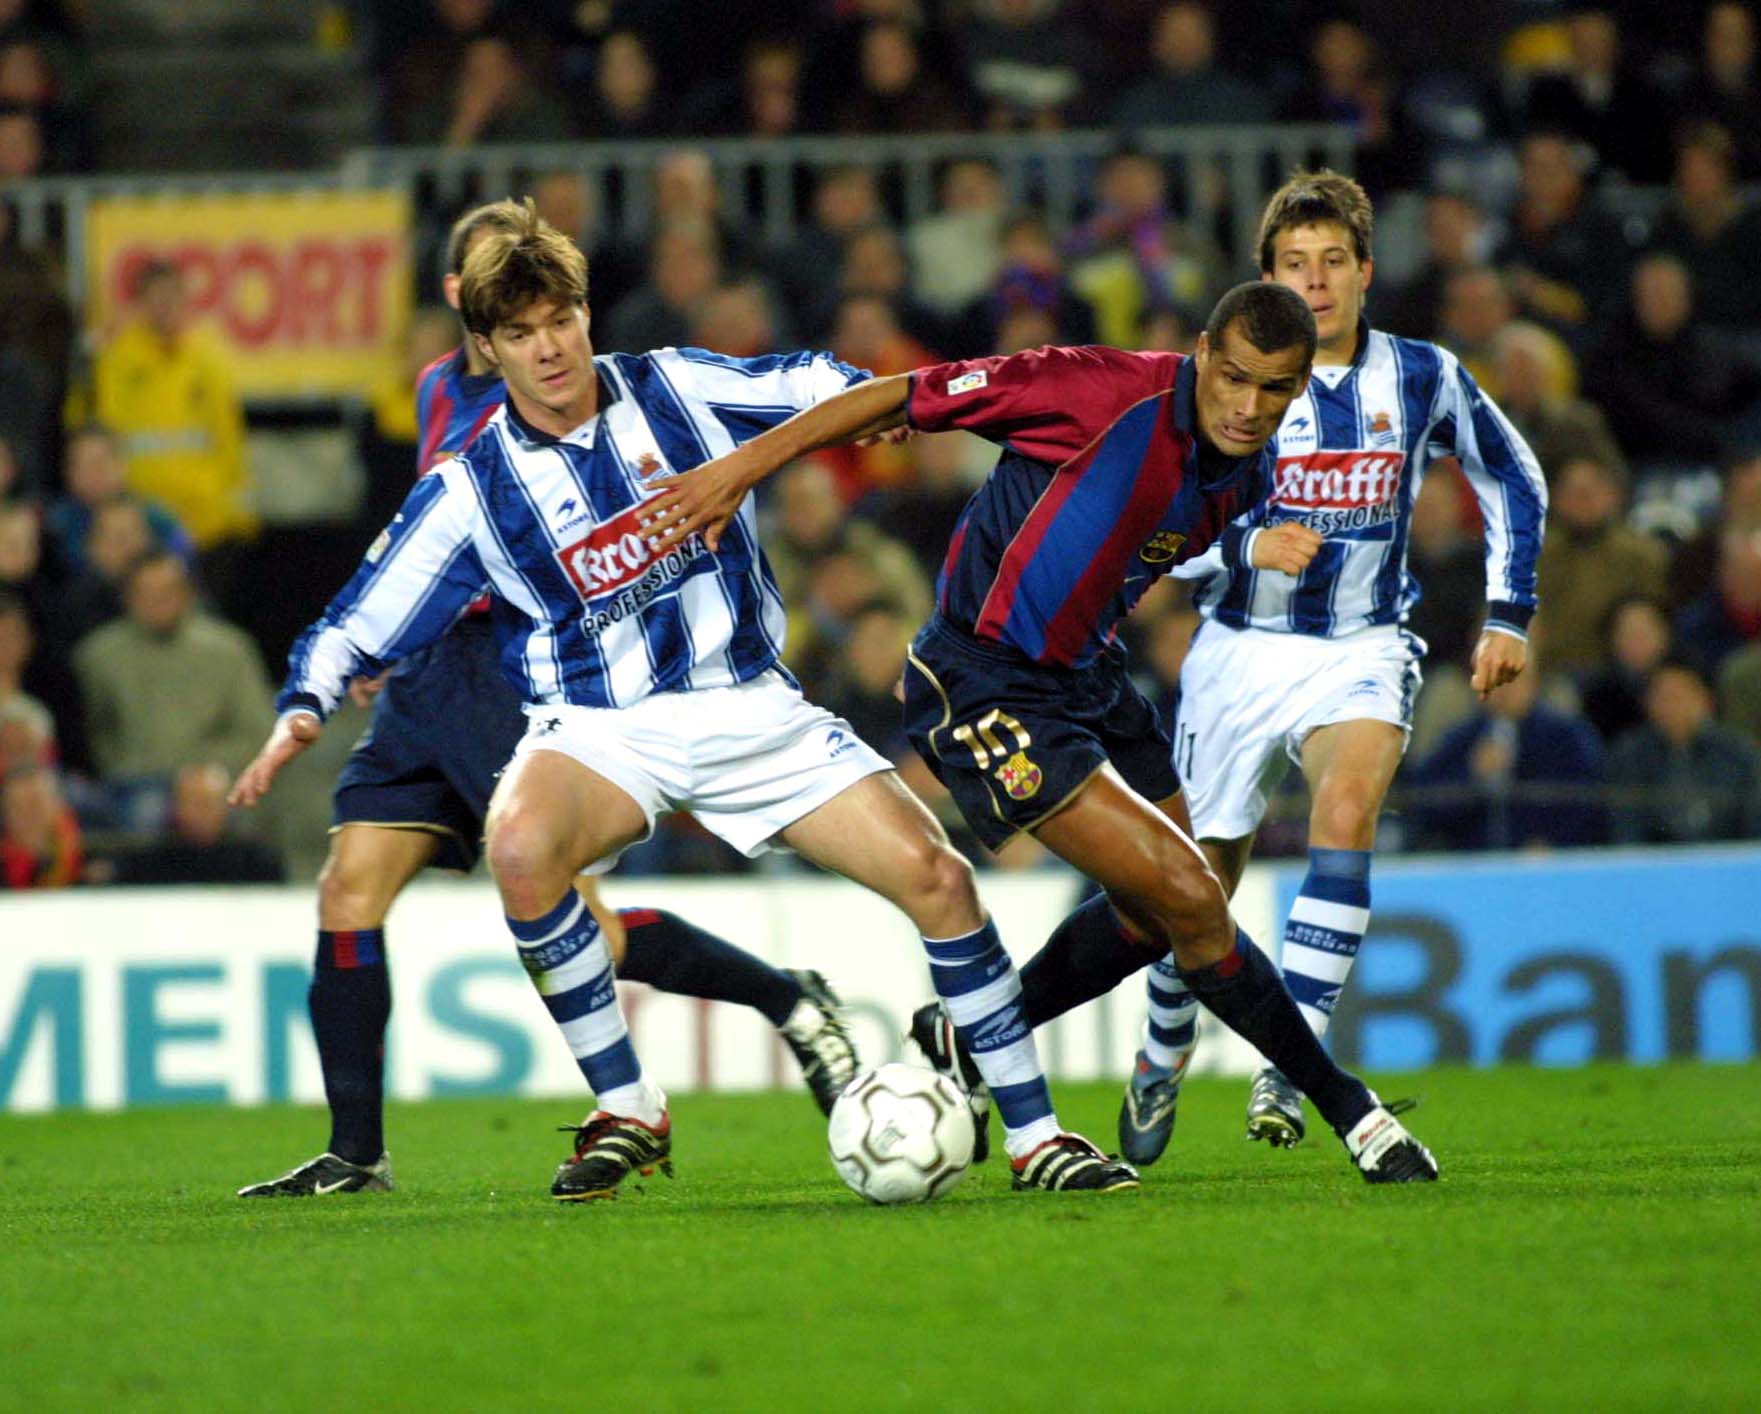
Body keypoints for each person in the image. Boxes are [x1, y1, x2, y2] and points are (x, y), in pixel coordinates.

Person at [231, 200, 1128, 1200]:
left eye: (561, 319)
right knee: (522, 847)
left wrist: (861, 418)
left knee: (941, 880)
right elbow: (363, 613)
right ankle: (630, 1109)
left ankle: (1038, 1136)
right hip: (606, 727)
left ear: (585, 313)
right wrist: (302, 706)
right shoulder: (472, 487)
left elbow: (818, 385)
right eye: (521, 333)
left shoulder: (676, 385)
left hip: (755, 710)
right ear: (487, 348)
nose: (550, 348)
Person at [649, 279, 1438, 1184]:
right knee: (1190, 893)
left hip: (1088, 680)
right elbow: (901, 394)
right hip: (983, 682)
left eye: (1276, 389)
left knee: (1162, 912)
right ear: (1203, 352)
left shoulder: (1249, 471)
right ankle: (1357, 1117)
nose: (1249, 406)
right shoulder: (1092, 389)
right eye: (1235, 378)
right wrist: (742, 468)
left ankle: (972, 1033)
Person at [1120, 169, 1542, 1159]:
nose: (1315, 281)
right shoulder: (1219, 381)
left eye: (1333, 262)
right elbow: (1149, 529)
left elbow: (1511, 472)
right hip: (1237, 649)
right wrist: (1240, 548)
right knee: (1198, 880)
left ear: (1365, 271)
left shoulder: (1423, 376)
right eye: (1295, 264)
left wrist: (1508, 611)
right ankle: (1162, 1043)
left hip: (1362, 643)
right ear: (1266, 276)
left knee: (1344, 817)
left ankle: (1290, 1055)